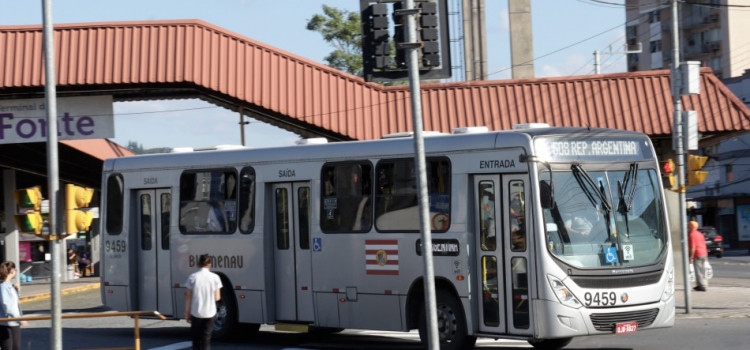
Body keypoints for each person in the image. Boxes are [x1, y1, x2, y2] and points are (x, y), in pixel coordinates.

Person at [184, 254, 222, 350]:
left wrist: (187, 312)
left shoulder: (192, 277)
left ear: (198, 263)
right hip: (210, 312)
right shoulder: (215, 277)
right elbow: (217, 297)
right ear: (209, 264)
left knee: (196, 340)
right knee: (206, 339)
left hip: (196, 311)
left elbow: (188, 296)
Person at [0, 261, 27, 350]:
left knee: (15, 347)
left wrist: (17, 291)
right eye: (15, 269)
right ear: (12, 271)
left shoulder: (9, 285)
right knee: (8, 348)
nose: (16, 271)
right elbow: (8, 306)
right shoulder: (4, 287)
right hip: (7, 323)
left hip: (13, 322)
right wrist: (20, 319)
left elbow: (14, 302)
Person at [688, 220, 709, 291]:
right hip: (703, 253)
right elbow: (704, 244)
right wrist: (706, 255)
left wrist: (691, 257)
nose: (687, 227)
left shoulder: (692, 234)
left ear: (691, 226)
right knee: (703, 270)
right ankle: (701, 284)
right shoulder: (700, 234)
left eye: (688, 226)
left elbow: (693, 246)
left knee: (698, 271)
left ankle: (702, 286)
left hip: (697, 254)